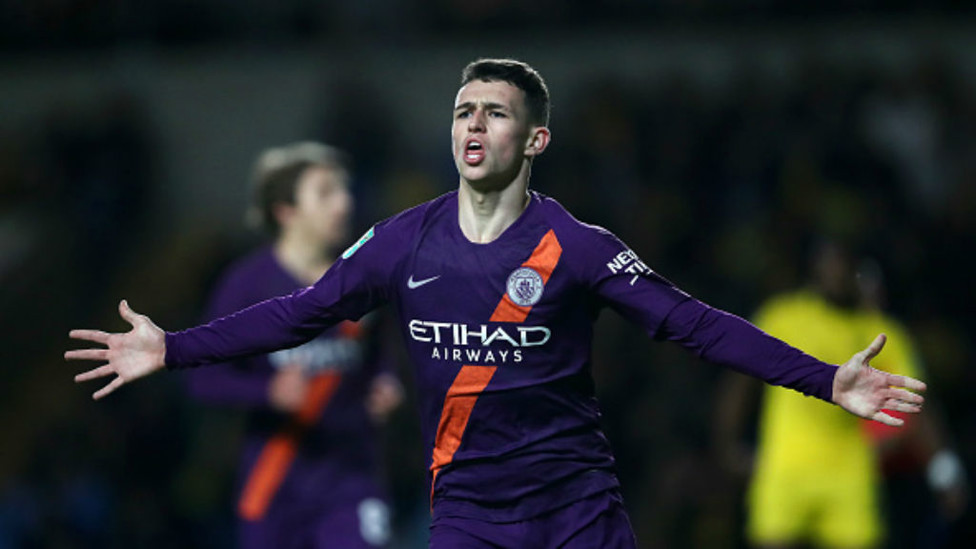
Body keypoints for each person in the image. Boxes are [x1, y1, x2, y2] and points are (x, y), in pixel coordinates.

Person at [67, 58, 926, 548]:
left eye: (495, 113)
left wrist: (827, 381)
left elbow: (694, 326)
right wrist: (171, 347)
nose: (472, 124)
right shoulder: (404, 240)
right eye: (461, 110)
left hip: (580, 512)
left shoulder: (579, 249)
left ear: (535, 139)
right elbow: (299, 313)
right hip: (472, 518)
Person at [185, 142, 403, 548]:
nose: (343, 203)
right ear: (285, 211)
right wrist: (266, 391)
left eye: (344, 190)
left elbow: (378, 352)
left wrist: (386, 382)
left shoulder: (362, 279)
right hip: (274, 481)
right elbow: (202, 379)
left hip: (351, 477)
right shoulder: (246, 286)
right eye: (326, 193)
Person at [714, 240, 965, 549]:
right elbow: (741, 381)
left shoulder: (880, 331)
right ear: (815, 268)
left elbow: (919, 403)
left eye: (843, 264)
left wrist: (944, 470)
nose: (836, 272)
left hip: (850, 474)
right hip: (784, 468)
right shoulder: (783, 317)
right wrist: (727, 445)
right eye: (829, 263)